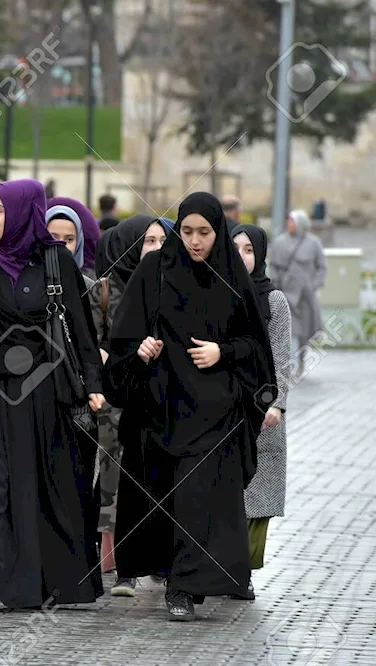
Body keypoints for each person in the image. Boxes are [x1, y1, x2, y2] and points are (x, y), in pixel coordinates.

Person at [0, 178, 106, 611]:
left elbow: (81, 330)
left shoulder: (55, 263)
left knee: (32, 485)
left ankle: (31, 578)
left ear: (22, 213)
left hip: (40, 393)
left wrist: (95, 385)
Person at [104, 192, 275, 621]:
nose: (195, 241)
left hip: (217, 410)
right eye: (187, 232)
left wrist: (224, 352)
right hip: (162, 408)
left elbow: (257, 346)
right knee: (169, 500)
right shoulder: (155, 271)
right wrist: (140, 350)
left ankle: (188, 586)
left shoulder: (233, 277)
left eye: (205, 232)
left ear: (218, 232)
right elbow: (123, 339)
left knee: (202, 500)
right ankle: (174, 578)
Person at [90, 215, 173, 597]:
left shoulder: (180, 287)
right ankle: (126, 565)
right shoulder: (112, 290)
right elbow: (105, 346)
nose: (155, 248)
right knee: (124, 481)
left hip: (171, 405)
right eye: (148, 241)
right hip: (123, 403)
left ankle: (165, 564)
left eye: (162, 240)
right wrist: (131, 354)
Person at [232, 224, 291, 597]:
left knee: (256, 499)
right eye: (234, 247)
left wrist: (276, 403)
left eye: (249, 249)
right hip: (222, 405)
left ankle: (243, 573)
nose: (241, 255)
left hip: (261, 408)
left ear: (260, 255)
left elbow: (282, 356)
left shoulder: (274, 301)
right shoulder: (215, 292)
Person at [270, 209, 326, 377]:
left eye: (293, 221)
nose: (290, 224)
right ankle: (289, 364)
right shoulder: (279, 242)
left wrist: (314, 285)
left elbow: (321, 267)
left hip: (305, 296)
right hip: (285, 293)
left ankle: (301, 359)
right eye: (289, 221)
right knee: (289, 330)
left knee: (304, 333)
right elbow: (272, 265)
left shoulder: (313, 243)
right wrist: (274, 281)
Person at [45, 196, 100, 279]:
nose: (61, 244)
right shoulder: (26, 279)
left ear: (78, 243)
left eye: (69, 239)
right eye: (53, 238)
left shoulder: (91, 285)